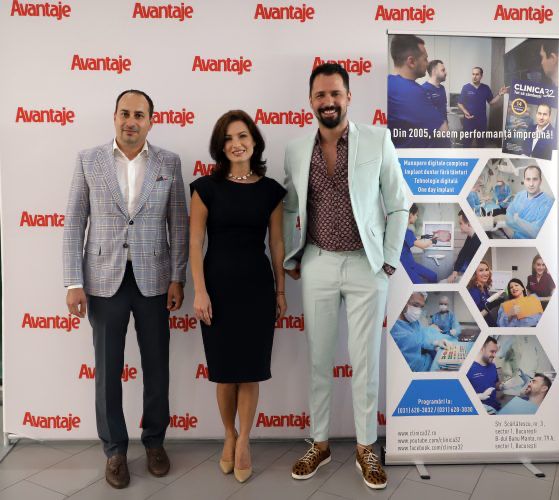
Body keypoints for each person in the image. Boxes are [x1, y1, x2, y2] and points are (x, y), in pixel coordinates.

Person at [283, 63, 408, 490]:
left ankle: (366, 447)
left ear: (349, 97)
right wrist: (293, 257)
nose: (328, 101)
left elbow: (399, 204)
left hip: (366, 266)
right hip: (317, 262)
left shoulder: (377, 139)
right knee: (319, 360)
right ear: (311, 101)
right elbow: (291, 206)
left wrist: (388, 261)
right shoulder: (296, 150)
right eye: (320, 95)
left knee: (365, 362)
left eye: (335, 93)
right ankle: (319, 443)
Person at [63, 90, 188, 489]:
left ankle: (154, 442)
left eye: (139, 114)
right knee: (107, 370)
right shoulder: (89, 160)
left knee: (156, 367)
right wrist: (74, 282)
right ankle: (115, 450)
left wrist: (178, 277)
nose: (131, 121)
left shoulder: (169, 162)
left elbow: (179, 224)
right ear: (114, 116)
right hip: (102, 281)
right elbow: (74, 222)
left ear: (151, 120)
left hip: (154, 280)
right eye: (125, 113)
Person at [190, 110, 286, 483]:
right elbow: (195, 242)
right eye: (228, 138)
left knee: (249, 372)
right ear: (220, 146)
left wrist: (280, 289)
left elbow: (276, 243)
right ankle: (228, 435)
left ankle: (244, 440)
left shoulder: (271, 190)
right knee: (225, 374)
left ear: (254, 141)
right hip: (216, 289)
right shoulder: (205, 188)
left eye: (242, 135)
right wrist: (200, 291)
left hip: (257, 290)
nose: (236, 143)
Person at [387, 35, 447, 147]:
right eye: (425, 59)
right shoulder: (412, 91)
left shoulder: (387, 83)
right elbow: (443, 131)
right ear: (411, 62)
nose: (427, 63)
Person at [390, 292, 450, 371]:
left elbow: (422, 338)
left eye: (421, 307)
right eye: (415, 305)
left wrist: (435, 343)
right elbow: (414, 367)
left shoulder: (414, 322)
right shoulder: (395, 330)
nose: (418, 310)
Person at [457, 67, 507, 147]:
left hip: (481, 121)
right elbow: (460, 103)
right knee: (466, 143)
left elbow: (491, 102)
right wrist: (465, 111)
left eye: (477, 74)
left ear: (481, 76)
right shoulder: (466, 87)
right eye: (473, 74)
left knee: (481, 143)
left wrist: (500, 94)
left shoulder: (485, 88)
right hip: (469, 121)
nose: (474, 76)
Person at [505, 165, 553, 239]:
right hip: (514, 238)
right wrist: (525, 226)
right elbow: (508, 216)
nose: (531, 184)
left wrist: (517, 220)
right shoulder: (519, 195)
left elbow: (536, 232)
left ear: (540, 181)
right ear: (524, 180)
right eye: (528, 179)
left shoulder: (547, 202)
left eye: (535, 179)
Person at [400, 203, 437, 284]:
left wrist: (423, 237)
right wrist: (433, 240)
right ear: (410, 214)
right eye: (416, 215)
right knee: (420, 287)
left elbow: (410, 239)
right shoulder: (406, 231)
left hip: (412, 264)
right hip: (406, 267)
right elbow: (423, 246)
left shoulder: (403, 230)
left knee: (433, 276)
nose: (417, 217)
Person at [466, 337, 502, 413]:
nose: (494, 355)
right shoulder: (468, 368)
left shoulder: (493, 366)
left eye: (495, 352)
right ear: (482, 349)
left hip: (495, 408)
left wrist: (502, 386)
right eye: (492, 351)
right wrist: (478, 396)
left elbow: (494, 384)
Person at [445, 210, 481, 283]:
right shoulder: (470, 237)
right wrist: (455, 272)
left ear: (469, 224)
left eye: (461, 223)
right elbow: (463, 253)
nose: (460, 226)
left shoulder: (478, 241)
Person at [422, 59, 452, 147]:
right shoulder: (423, 90)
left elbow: (442, 110)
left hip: (445, 134)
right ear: (434, 71)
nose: (446, 72)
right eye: (443, 70)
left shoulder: (442, 88)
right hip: (432, 137)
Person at [467, 261, 497, 327]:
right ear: (474, 274)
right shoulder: (474, 291)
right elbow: (475, 318)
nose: (485, 273)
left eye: (486, 270)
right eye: (481, 270)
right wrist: (488, 308)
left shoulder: (484, 288)